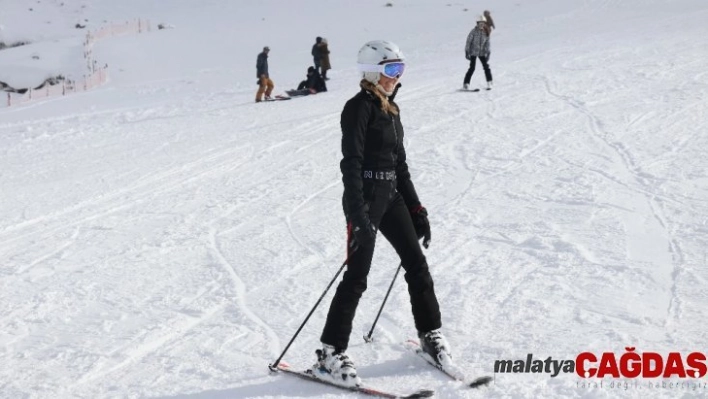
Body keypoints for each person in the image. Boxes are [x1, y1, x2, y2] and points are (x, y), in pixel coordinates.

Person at [313, 40, 452, 387]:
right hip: (366, 199)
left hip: (391, 196)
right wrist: (358, 214)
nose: (396, 77)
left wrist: (416, 207)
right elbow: (351, 164)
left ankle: (429, 334)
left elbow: (400, 165)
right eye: (391, 70)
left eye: (400, 69)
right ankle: (330, 352)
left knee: (416, 264)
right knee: (357, 276)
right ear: (372, 71)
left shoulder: (392, 109)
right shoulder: (357, 109)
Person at [463, 15, 493, 90]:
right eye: (480, 23)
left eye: (483, 23)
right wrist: (467, 51)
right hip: (473, 52)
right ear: (477, 23)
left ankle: (489, 82)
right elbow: (468, 42)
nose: (481, 25)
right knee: (472, 68)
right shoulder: (473, 32)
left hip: (482, 53)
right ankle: (466, 83)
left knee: (486, 67)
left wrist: (488, 52)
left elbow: (487, 43)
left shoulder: (486, 32)